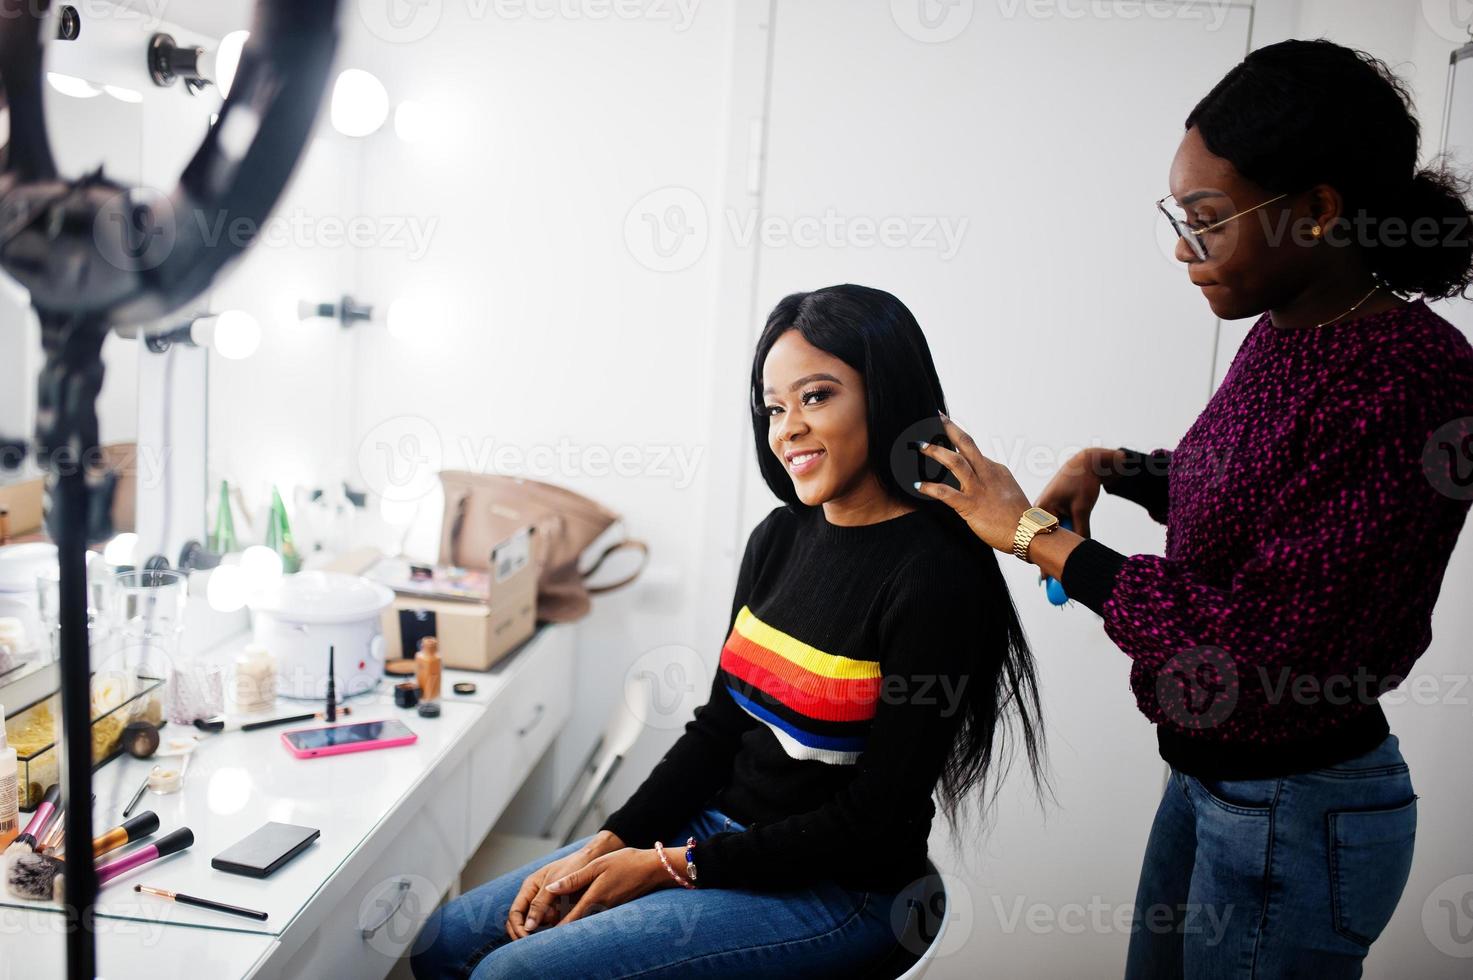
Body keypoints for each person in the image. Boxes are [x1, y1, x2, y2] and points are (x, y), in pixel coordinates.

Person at [913, 39, 1473, 978]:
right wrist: (1113, 466)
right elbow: (1254, 496)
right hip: (1215, 783)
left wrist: (1036, 539)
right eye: (1180, 216)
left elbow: (1256, 649)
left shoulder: (1412, 380)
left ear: (1319, 211)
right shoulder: (1290, 329)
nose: (1182, 247)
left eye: (1207, 220)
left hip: (1293, 812)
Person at [411, 284, 1045, 979]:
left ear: (886, 394)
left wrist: (666, 866)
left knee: (510, 975)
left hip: (843, 889)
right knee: (445, 941)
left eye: (816, 396)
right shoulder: (779, 538)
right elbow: (716, 729)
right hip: (715, 834)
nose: (787, 428)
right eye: (774, 407)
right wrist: (613, 841)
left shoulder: (935, 575)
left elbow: (873, 820)